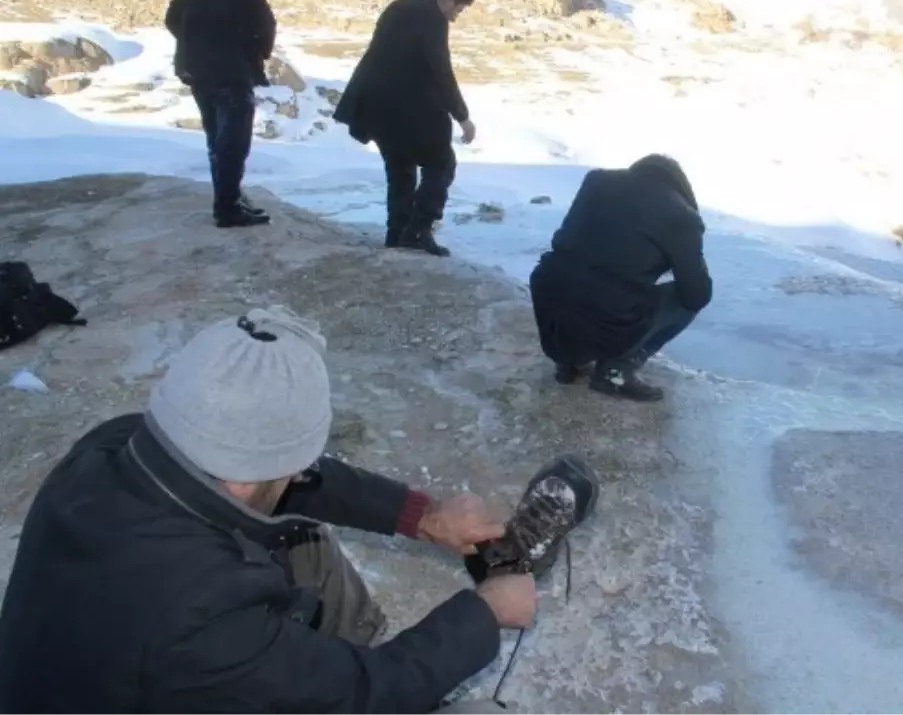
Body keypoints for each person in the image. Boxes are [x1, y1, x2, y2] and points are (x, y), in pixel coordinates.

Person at [0, 305, 543, 714]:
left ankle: (339, 654)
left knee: (302, 540)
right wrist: (485, 614)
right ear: (245, 474)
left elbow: (281, 477)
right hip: (165, 674)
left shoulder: (118, 445)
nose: (303, 475)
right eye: (294, 466)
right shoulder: (204, 616)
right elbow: (367, 695)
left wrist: (421, 515)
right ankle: (330, 671)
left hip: (107, 676)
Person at [529, 154, 713, 402]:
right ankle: (616, 369)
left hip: (550, 301)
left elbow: (571, 243)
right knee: (681, 301)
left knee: (578, 276)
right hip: (604, 315)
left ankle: (570, 361)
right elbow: (696, 295)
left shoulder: (596, 181)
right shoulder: (683, 217)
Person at [334, 0, 478, 258]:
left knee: (400, 168)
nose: (454, 18)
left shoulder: (398, 7)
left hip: (376, 106)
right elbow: (440, 69)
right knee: (441, 164)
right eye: (458, 10)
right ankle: (416, 231)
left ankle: (396, 232)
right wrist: (462, 115)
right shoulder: (432, 18)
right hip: (410, 108)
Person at [165, 0, 276, 229]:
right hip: (231, 70)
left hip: (195, 69)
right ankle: (228, 208)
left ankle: (228, 199)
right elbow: (264, 25)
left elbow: (172, 20)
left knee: (216, 136)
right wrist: (256, 51)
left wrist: (195, 43)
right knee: (234, 140)